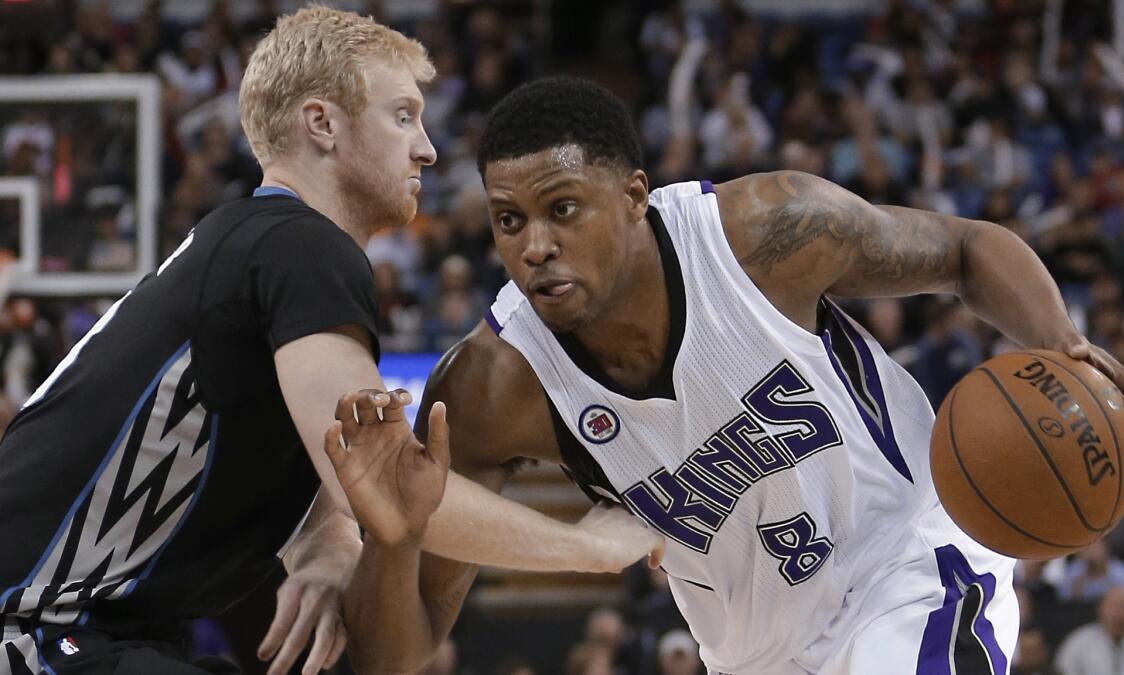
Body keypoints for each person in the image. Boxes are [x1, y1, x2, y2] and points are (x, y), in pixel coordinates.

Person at [339, 76, 1124, 673]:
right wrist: (392, 536)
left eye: (563, 209)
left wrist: (1065, 342)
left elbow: (966, 250)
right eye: (509, 221)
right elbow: (398, 652)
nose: (535, 245)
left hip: (903, 562)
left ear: (633, 196)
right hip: (747, 651)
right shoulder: (492, 387)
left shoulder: (763, 232)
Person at [0, 12, 657, 675]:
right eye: (403, 116)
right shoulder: (301, 245)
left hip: (87, 631)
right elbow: (394, 486)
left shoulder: (254, 243)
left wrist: (325, 543)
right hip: (38, 629)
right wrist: (589, 546)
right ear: (322, 124)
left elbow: (327, 457)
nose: (427, 148)